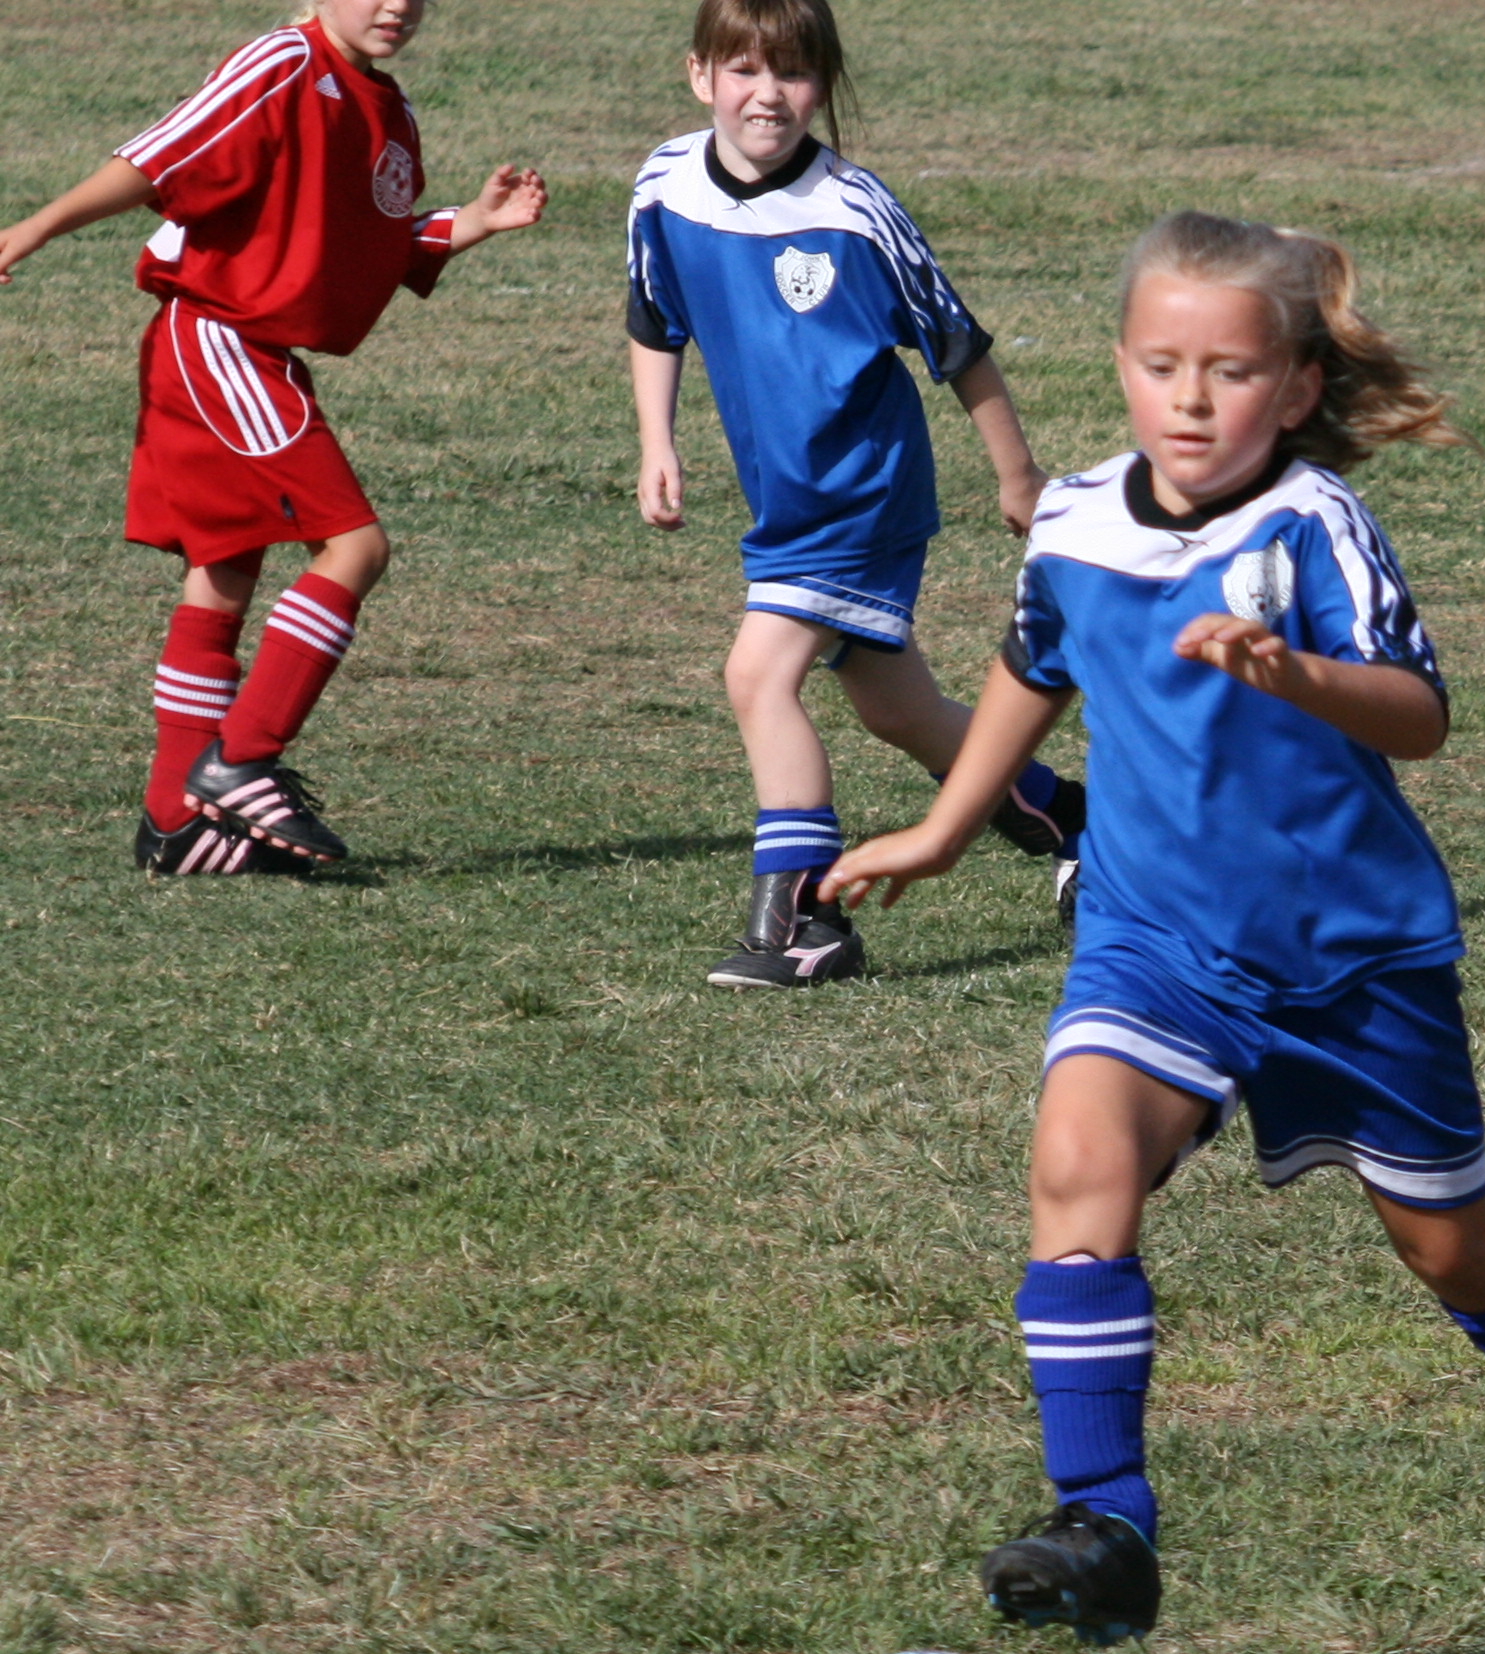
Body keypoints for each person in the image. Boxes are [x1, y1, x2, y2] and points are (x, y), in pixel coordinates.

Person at [828, 212, 1485, 1644]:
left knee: (1451, 1249)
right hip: (1154, 937)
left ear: (1293, 389)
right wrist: (945, 824)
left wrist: (1298, 675)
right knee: (1078, 1161)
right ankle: (1104, 1522)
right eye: (1160, 366)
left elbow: (1420, 717)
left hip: (1352, 959)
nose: (1190, 400)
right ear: (1119, 365)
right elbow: (1034, 665)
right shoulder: (1077, 519)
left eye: (1228, 373)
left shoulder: (1311, 527)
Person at [0, 0, 546, 878]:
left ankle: (176, 823)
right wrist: (32, 227)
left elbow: (356, 246)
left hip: (242, 349)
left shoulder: (388, 108)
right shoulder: (283, 63)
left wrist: (471, 223)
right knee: (356, 548)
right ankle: (242, 759)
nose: (398, 5)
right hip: (220, 342)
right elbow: (158, 154)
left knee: (224, 570)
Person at [628, 0, 1081, 990]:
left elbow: (957, 345)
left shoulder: (853, 212)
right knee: (898, 711)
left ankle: (805, 922)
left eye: (791, 73)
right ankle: (1078, 825)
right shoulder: (664, 184)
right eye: (743, 70)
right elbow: (654, 318)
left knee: (758, 675)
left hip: (860, 492)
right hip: (783, 501)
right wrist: (657, 441)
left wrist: (1017, 475)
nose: (766, 95)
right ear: (700, 75)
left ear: (822, 87)